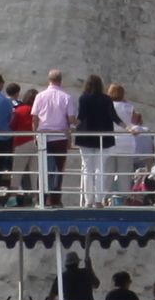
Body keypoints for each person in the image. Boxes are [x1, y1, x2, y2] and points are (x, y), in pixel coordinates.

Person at [74, 73, 122, 203]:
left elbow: (81, 117)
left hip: (86, 137)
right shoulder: (106, 99)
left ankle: (88, 200)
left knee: (87, 169)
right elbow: (114, 117)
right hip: (103, 138)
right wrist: (127, 127)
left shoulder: (83, 98)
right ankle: (99, 200)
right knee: (100, 168)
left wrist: (71, 127)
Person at [33, 70, 79, 203]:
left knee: (43, 168)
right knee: (58, 169)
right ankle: (55, 199)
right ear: (61, 80)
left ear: (49, 80)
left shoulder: (40, 96)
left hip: (43, 136)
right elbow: (71, 119)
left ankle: (41, 198)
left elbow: (35, 118)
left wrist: (34, 135)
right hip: (60, 137)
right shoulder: (66, 97)